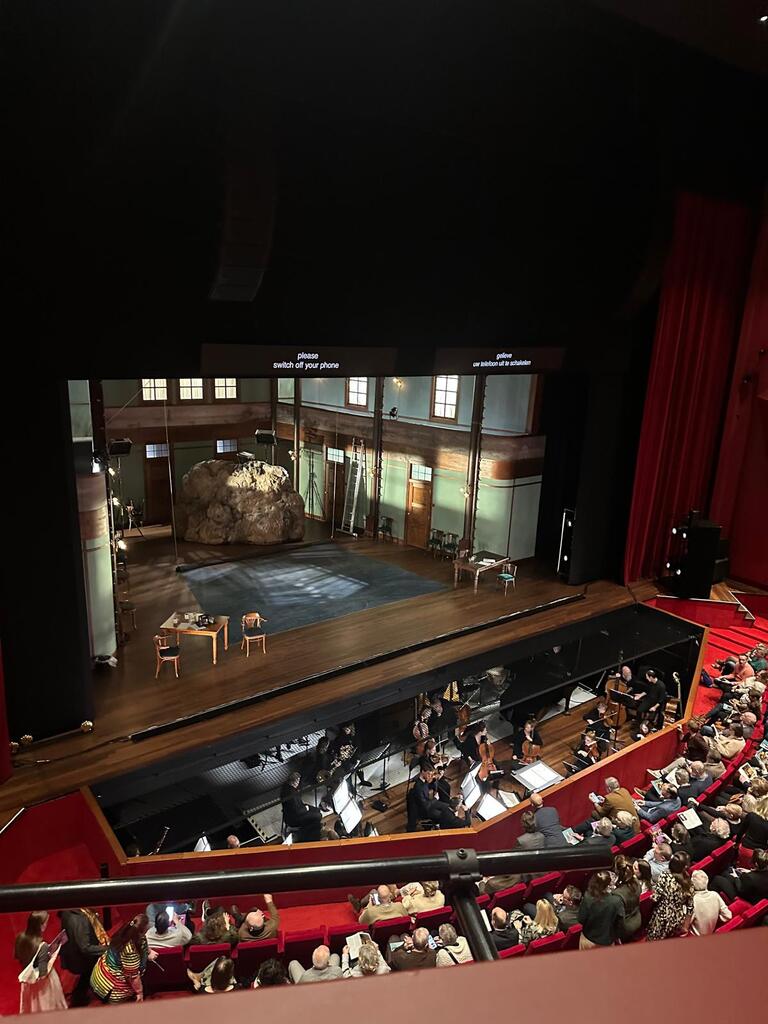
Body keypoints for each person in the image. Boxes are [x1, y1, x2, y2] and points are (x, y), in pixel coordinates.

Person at [90, 914, 155, 1003]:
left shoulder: (125, 932)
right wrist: (139, 993)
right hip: (110, 987)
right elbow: (132, 977)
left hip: (100, 973)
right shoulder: (130, 951)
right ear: (143, 931)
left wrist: (148, 951)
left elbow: (143, 942)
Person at [14, 911, 68, 1014]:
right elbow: (43, 974)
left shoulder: (19, 938)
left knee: (32, 1007)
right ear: (40, 925)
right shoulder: (42, 946)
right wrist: (51, 957)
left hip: (28, 981)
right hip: (43, 984)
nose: (46, 925)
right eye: (45, 923)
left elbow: (18, 957)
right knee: (47, 1007)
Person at [60, 908, 108, 1006]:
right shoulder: (80, 920)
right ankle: (79, 1001)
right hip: (83, 959)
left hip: (74, 953)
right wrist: (106, 948)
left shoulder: (67, 910)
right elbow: (85, 948)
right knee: (86, 977)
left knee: (85, 978)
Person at [645, 854, 694, 941]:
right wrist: (685, 927)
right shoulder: (689, 882)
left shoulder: (665, 876)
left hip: (662, 916)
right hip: (677, 919)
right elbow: (690, 908)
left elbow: (655, 898)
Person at [412, 762, 470, 829]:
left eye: (431, 774)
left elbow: (434, 786)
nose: (430, 776)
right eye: (428, 773)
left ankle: (451, 820)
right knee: (446, 816)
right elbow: (425, 805)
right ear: (422, 772)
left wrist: (434, 780)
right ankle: (445, 824)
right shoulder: (418, 787)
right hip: (426, 808)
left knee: (449, 806)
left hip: (431, 802)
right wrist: (435, 799)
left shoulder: (425, 779)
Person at [577, 871, 624, 948]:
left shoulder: (588, 897)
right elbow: (620, 924)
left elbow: (581, 919)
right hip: (606, 941)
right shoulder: (616, 901)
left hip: (588, 939)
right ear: (608, 885)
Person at [281, 772, 323, 843]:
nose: (298, 783)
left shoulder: (289, 788)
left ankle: (313, 828)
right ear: (293, 782)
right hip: (294, 818)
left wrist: (308, 808)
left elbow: (298, 804)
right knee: (318, 816)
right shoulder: (290, 794)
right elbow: (296, 811)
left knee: (317, 810)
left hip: (298, 810)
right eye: (297, 781)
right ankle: (306, 832)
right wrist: (306, 808)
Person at [690, 870, 732, 936]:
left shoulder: (692, 901)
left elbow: (684, 926)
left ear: (692, 885)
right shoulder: (715, 895)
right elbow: (728, 915)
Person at [612, 855, 642, 940]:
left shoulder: (617, 895)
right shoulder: (636, 882)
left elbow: (619, 919)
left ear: (617, 871)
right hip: (637, 918)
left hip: (625, 928)